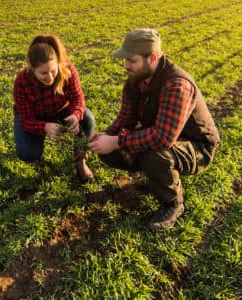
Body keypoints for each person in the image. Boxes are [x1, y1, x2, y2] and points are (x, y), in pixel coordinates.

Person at [88, 28, 220, 231]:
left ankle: (173, 203)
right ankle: (156, 178)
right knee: (112, 152)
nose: (126, 65)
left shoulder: (177, 84)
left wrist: (116, 141)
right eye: (125, 60)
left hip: (197, 147)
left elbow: (162, 137)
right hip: (164, 138)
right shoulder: (135, 80)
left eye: (132, 60)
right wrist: (106, 136)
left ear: (153, 58)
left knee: (153, 152)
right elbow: (125, 119)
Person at [13, 34, 96, 182]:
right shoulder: (22, 81)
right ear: (32, 69)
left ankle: (80, 160)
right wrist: (45, 127)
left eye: (53, 71)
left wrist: (75, 115)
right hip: (36, 117)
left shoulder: (67, 69)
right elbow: (25, 120)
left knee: (87, 118)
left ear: (58, 63)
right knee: (28, 153)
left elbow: (77, 97)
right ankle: (34, 158)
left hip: (61, 110)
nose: (50, 78)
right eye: (43, 73)